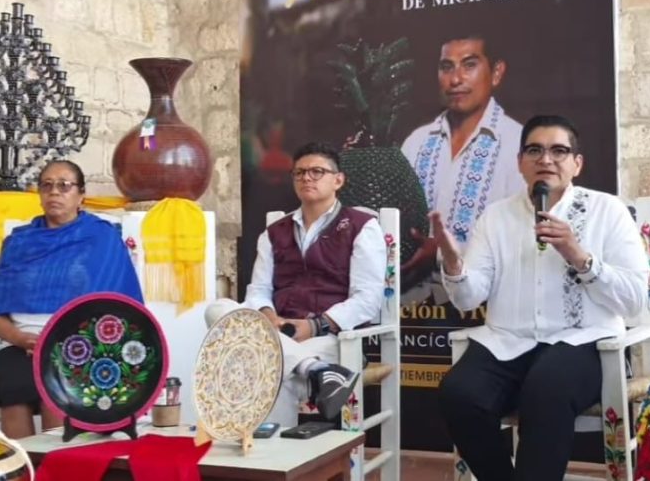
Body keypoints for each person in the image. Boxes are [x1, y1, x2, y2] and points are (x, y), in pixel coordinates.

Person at [433, 115, 650, 480]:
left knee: (546, 387)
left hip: (584, 341)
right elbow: (469, 299)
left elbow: (633, 302)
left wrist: (578, 255)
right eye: (534, 150)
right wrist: (454, 265)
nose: (545, 159)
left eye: (559, 151)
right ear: (520, 162)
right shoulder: (495, 216)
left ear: (577, 163)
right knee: (458, 393)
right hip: (507, 341)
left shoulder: (607, 211)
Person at [205, 142, 387, 427]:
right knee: (218, 308)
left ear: (338, 180)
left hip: (331, 337)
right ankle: (318, 371)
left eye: (317, 172)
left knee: (270, 364)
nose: (307, 178)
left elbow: (367, 299)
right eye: (300, 173)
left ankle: (273, 463)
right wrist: (267, 315)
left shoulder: (361, 227)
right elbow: (258, 289)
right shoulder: (274, 233)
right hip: (279, 331)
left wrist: (314, 325)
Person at [0, 160, 143, 439]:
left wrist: (68, 338)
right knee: (13, 393)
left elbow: (121, 307)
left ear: (81, 195)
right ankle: (24, 468)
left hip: (78, 341)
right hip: (20, 342)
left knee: (56, 397)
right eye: (46, 185)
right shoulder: (19, 243)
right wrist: (22, 340)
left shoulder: (101, 238)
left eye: (64, 186)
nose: (54, 192)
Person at [400, 31, 525, 296]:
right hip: (412, 311)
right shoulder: (416, 142)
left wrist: (440, 254)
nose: (455, 79)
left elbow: (522, 238)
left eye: (469, 65)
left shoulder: (518, 144)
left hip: (488, 307)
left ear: (497, 72)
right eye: (447, 67)